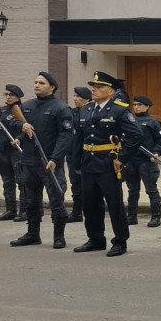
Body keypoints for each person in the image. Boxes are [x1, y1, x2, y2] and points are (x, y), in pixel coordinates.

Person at [72, 71, 142, 256]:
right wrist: (75, 162)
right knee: (89, 203)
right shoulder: (85, 109)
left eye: (99, 87)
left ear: (111, 92)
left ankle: (120, 241)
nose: (94, 90)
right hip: (88, 161)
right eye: (93, 87)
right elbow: (78, 138)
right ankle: (95, 239)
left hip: (108, 163)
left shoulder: (119, 109)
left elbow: (136, 135)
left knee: (114, 204)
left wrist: (122, 158)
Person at [9, 72, 72, 249]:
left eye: (41, 83)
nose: (36, 85)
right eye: (35, 82)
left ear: (52, 87)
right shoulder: (27, 105)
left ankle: (59, 236)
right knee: (31, 201)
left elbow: (65, 136)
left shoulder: (61, 108)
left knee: (56, 201)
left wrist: (55, 158)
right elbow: (13, 122)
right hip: (29, 161)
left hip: (49, 162)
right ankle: (32, 234)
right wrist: (21, 128)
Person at [125, 94, 161, 228]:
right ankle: (131, 216)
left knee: (151, 189)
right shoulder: (129, 120)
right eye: (134, 105)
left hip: (147, 160)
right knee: (132, 190)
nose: (136, 107)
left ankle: (155, 217)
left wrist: (156, 153)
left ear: (147, 106)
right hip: (131, 160)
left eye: (139, 105)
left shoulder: (153, 122)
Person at [0, 84, 25, 222]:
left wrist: (19, 139)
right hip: (3, 150)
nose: (8, 97)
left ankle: (24, 211)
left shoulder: (22, 110)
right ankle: (10, 210)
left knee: (22, 182)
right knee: (7, 182)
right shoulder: (4, 111)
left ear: (17, 97)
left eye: (10, 95)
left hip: (17, 151)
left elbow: (28, 128)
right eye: (6, 94)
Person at [65, 86, 91, 223]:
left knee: (89, 184)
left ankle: (90, 211)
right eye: (74, 96)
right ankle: (76, 212)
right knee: (75, 183)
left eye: (78, 96)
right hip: (72, 153)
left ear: (87, 99)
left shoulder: (91, 111)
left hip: (87, 153)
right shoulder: (71, 113)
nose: (75, 99)